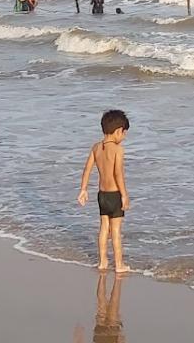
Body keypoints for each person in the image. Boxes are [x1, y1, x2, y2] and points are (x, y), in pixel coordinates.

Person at [77, 109, 131, 272]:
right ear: (118, 131)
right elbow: (118, 173)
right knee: (115, 231)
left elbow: (87, 170)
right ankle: (119, 264)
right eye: (124, 134)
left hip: (102, 195)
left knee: (103, 228)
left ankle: (103, 262)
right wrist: (124, 195)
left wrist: (83, 190)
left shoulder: (96, 148)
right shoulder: (118, 150)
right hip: (114, 194)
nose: (124, 138)